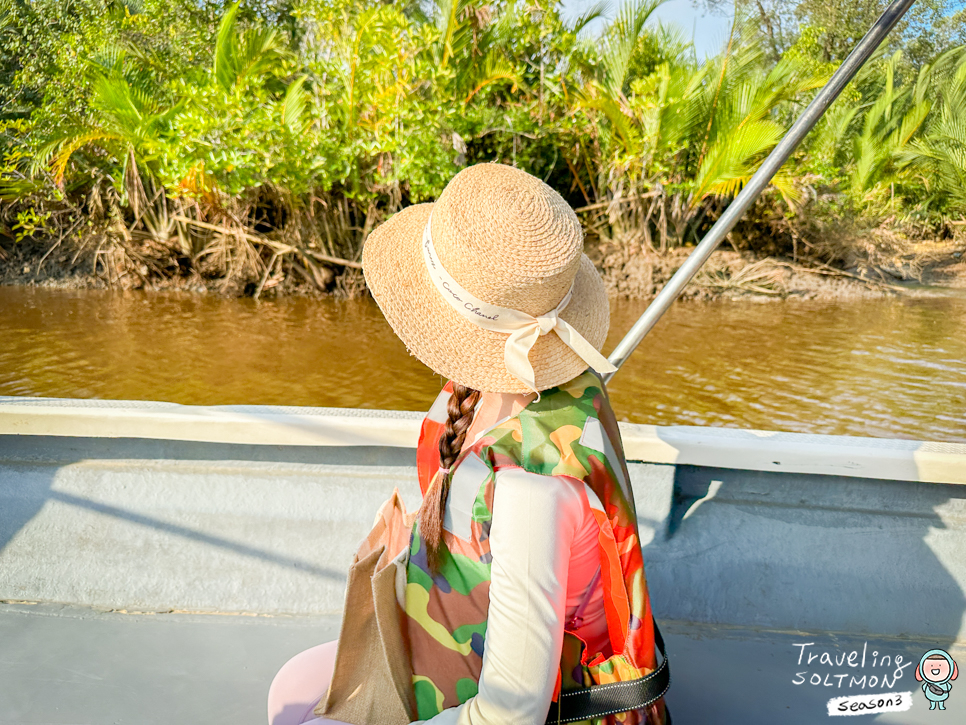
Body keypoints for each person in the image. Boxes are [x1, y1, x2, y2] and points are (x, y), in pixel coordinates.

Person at [267, 163, 668, 725]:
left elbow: (509, 715)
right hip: (461, 644)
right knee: (294, 685)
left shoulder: (534, 490)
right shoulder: (491, 387)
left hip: (548, 708)